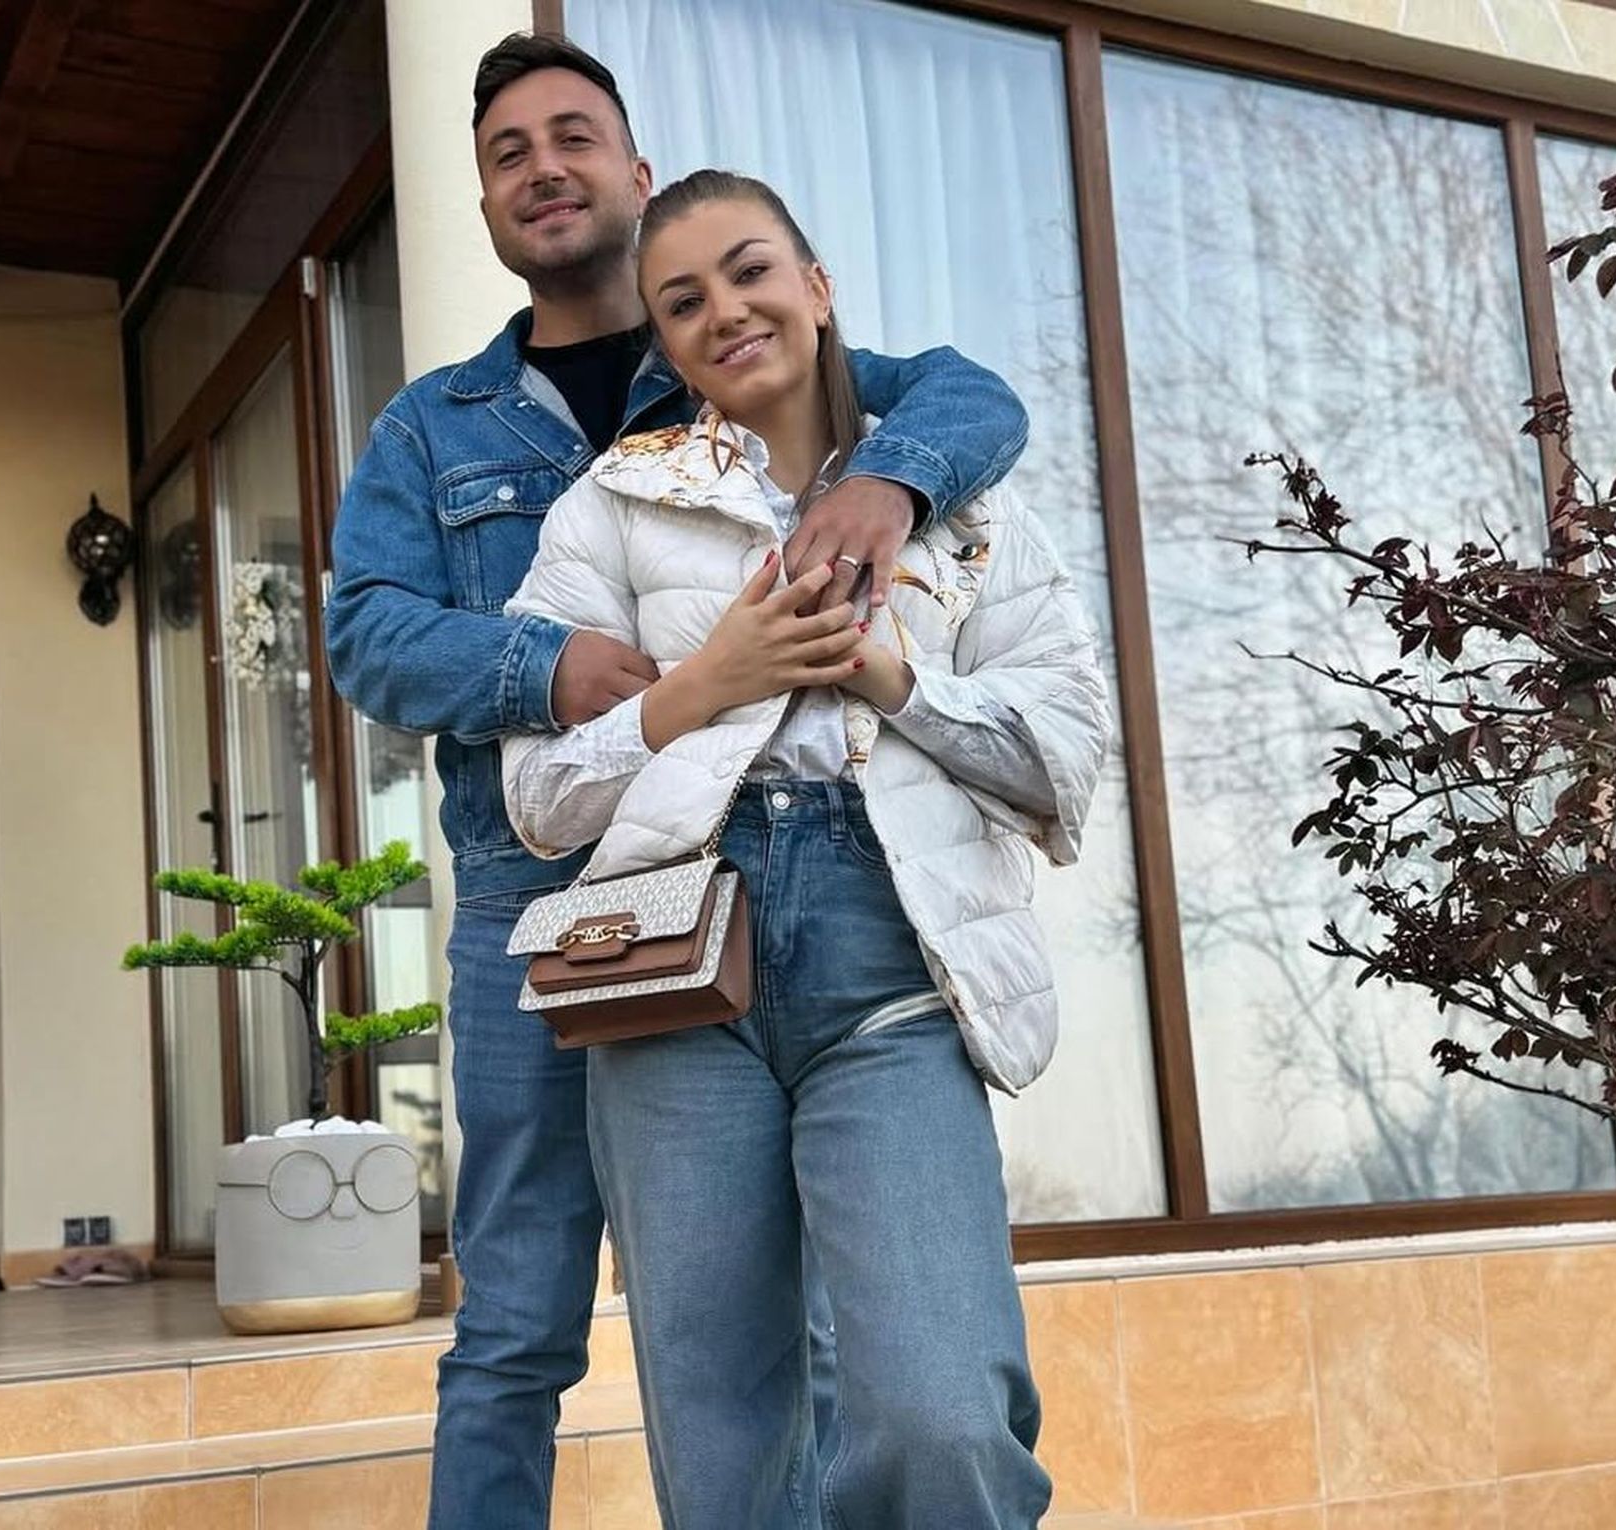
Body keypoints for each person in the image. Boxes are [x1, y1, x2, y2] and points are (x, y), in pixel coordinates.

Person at [323, 33, 1031, 1530]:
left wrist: (884, 480)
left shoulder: (722, 348)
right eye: (508, 153)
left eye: (573, 136)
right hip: (538, 900)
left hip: (758, 882)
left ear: (636, 175)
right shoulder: (433, 425)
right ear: (485, 204)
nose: (544, 168)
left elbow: (974, 400)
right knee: (516, 1320)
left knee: (806, 1333)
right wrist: (550, 667)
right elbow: (365, 633)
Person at [501, 169, 1109, 1530]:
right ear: (665, 348)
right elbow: (539, 795)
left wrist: (899, 683)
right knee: (725, 1456)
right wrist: (704, 685)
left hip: (894, 963)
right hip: (676, 965)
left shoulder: (967, 507)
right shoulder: (611, 506)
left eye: (751, 270)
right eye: (682, 301)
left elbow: (1066, 762)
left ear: (819, 287)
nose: (725, 310)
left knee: (943, 1419)